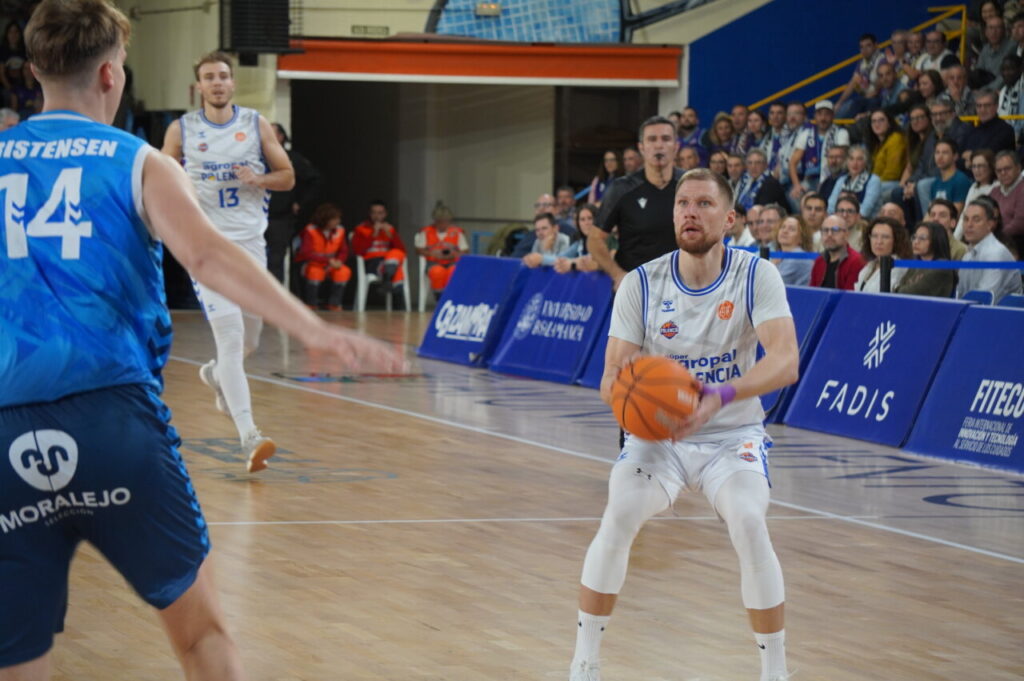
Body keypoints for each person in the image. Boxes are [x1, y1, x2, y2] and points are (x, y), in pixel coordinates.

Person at [0, 1, 402, 678]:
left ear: (36, 68)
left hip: (8, 428)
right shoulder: (140, 160)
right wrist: (312, 327)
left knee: (18, 657)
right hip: (115, 422)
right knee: (201, 638)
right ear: (109, 75)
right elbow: (209, 259)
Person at [568, 168, 798, 681]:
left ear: (730, 218)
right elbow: (611, 376)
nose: (690, 213)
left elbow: (786, 361)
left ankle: (775, 672)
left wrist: (721, 396)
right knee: (619, 514)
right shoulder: (641, 284)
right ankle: (584, 663)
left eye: (703, 204)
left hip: (731, 433)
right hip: (657, 439)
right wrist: (632, 403)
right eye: (681, 204)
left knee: (748, 521)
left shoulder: (755, 274)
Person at [162, 50, 295, 473]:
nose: (217, 83)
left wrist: (259, 178)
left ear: (232, 83)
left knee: (248, 343)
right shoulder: (181, 130)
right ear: (198, 87)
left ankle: (217, 376)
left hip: (250, 249)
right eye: (209, 77)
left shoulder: (255, 124)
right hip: (208, 250)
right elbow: (161, 179)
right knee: (232, 337)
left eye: (223, 76)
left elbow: (288, 176)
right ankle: (249, 435)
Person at [589, 115, 683, 289]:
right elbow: (594, 239)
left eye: (666, 139)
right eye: (652, 139)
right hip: (636, 288)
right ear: (642, 147)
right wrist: (617, 274)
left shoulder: (690, 184)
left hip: (681, 287)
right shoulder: (622, 188)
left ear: (676, 146)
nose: (659, 145)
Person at [266, 122, 321, 284]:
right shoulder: (256, 157)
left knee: (276, 259)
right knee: (251, 256)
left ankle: (274, 299)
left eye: (271, 133)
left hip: (280, 217)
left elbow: (315, 180)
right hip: (255, 216)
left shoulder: (292, 159)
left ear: (281, 137)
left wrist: (300, 203)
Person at [958, 198, 1023, 301]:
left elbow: (984, 300)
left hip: (1002, 315)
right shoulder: (967, 256)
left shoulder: (996, 254)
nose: (969, 225)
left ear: (990, 224)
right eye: (966, 219)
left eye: (976, 220)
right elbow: (960, 295)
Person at [788, 100, 849, 201]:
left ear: (833, 116)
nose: (823, 118)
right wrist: (797, 185)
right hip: (810, 179)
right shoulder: (806, 134)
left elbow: (843, 159)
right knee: (794, 196)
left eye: (827, 114)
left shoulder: (841, 133)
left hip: (834, 178)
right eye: (820, 114)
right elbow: (793, 163)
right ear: (815, 116)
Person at [294, 202, 351, 310]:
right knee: (315, 272)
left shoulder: (340, 230)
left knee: (343, 271)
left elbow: (344, 251)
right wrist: (328, 260)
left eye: (338, 219)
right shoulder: (310, 230)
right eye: (334, 219)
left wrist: (339, 261)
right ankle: (311, 303)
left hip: (330, 264)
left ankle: (334, 303)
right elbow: (305, 253)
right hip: (310, 263)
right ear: (325, 219)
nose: (337, 222)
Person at [350, 199, 408, 296]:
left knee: (397, 253)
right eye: (374, 213)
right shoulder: (361, 229)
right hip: (371, 262)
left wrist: (391, 235)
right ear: (370, 214)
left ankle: (388, 279)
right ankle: (396, 286)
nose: (377, 216)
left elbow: (402, 251)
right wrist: (373, 234)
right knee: (397, 269)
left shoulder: (389, 228)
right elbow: (357, 251)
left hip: (387, 261)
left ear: (385, 214)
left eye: (380, 213)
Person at [415, 201, 468, 297]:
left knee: (454, 271)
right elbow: (418, 250)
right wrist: (431, 253)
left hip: (452, 261)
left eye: (446, 221)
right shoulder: (426, 231)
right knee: (437, 272)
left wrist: (455, 254)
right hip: (433, 262)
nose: (443, 224)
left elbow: (465, 250)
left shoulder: (457, 232)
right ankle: (439, 297)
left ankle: (452, 296)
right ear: (435, 221)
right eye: (440, 221)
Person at [895, 221, 958, 297]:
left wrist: (898, 289)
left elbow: (909, 292)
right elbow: (899, 288)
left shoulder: (942, 267)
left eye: (922, 238)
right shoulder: (916, 263)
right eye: (914, 237)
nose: (916, 242)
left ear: (936, 240)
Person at [554, 204, 616, 274]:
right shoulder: (579, 242)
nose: (586, 223)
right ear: (578, 223)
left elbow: (602, 261)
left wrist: (573, 263)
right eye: (582, 220)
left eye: (590, 218)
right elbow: (559, 258)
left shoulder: (608, 239)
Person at [854, 217, 911, 292]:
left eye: (885, 237)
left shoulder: (899, 269)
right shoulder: (869, 266)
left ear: (896, 240)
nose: (879, 242)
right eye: (874, 236)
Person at [810, 214, 866, 289]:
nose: (829, 234)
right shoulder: (819, 260)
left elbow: (850, 297)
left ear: (846, 234)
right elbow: (811, 293)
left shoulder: (856, 261)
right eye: (825, 230)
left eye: (835, 230)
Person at [827, 145, 882, 218]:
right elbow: (830, 207)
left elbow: (865, 210)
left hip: (865, 222)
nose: (855, 163)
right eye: (851, 159)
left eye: (859, 159)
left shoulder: (873, 180)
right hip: (841, 220)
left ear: (865, 163)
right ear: (847, 162)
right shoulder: (841, 180)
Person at [989, 150, 1024, 256]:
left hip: (1018, 243)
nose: (1003, 173)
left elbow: (1020, 223)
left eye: (1007, 169)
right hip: (996, 242)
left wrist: (994, 238)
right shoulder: (994, 191)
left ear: (1018, 168)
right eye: (999, 171)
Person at [955, 148, 997, 236]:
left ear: (991, 167)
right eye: (974, 166)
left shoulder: (997, 186)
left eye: (981, 166)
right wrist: (956, 238)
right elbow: (965, 213)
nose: (976, 170)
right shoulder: (973, 187)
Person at [928, 139, 973, 211]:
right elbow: (930, 212)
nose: (940, 157)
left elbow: (956, 214)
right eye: (937, 152)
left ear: (955, 156)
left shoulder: (960, 180)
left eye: (945, 153)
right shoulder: (935, 183)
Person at [772, 215, 815, 285]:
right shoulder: (780, 255)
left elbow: (773, 284)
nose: (785, 231)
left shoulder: (798, 256)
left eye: (791, 229)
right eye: (783, 227)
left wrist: (772, 264)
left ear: (801, 238)